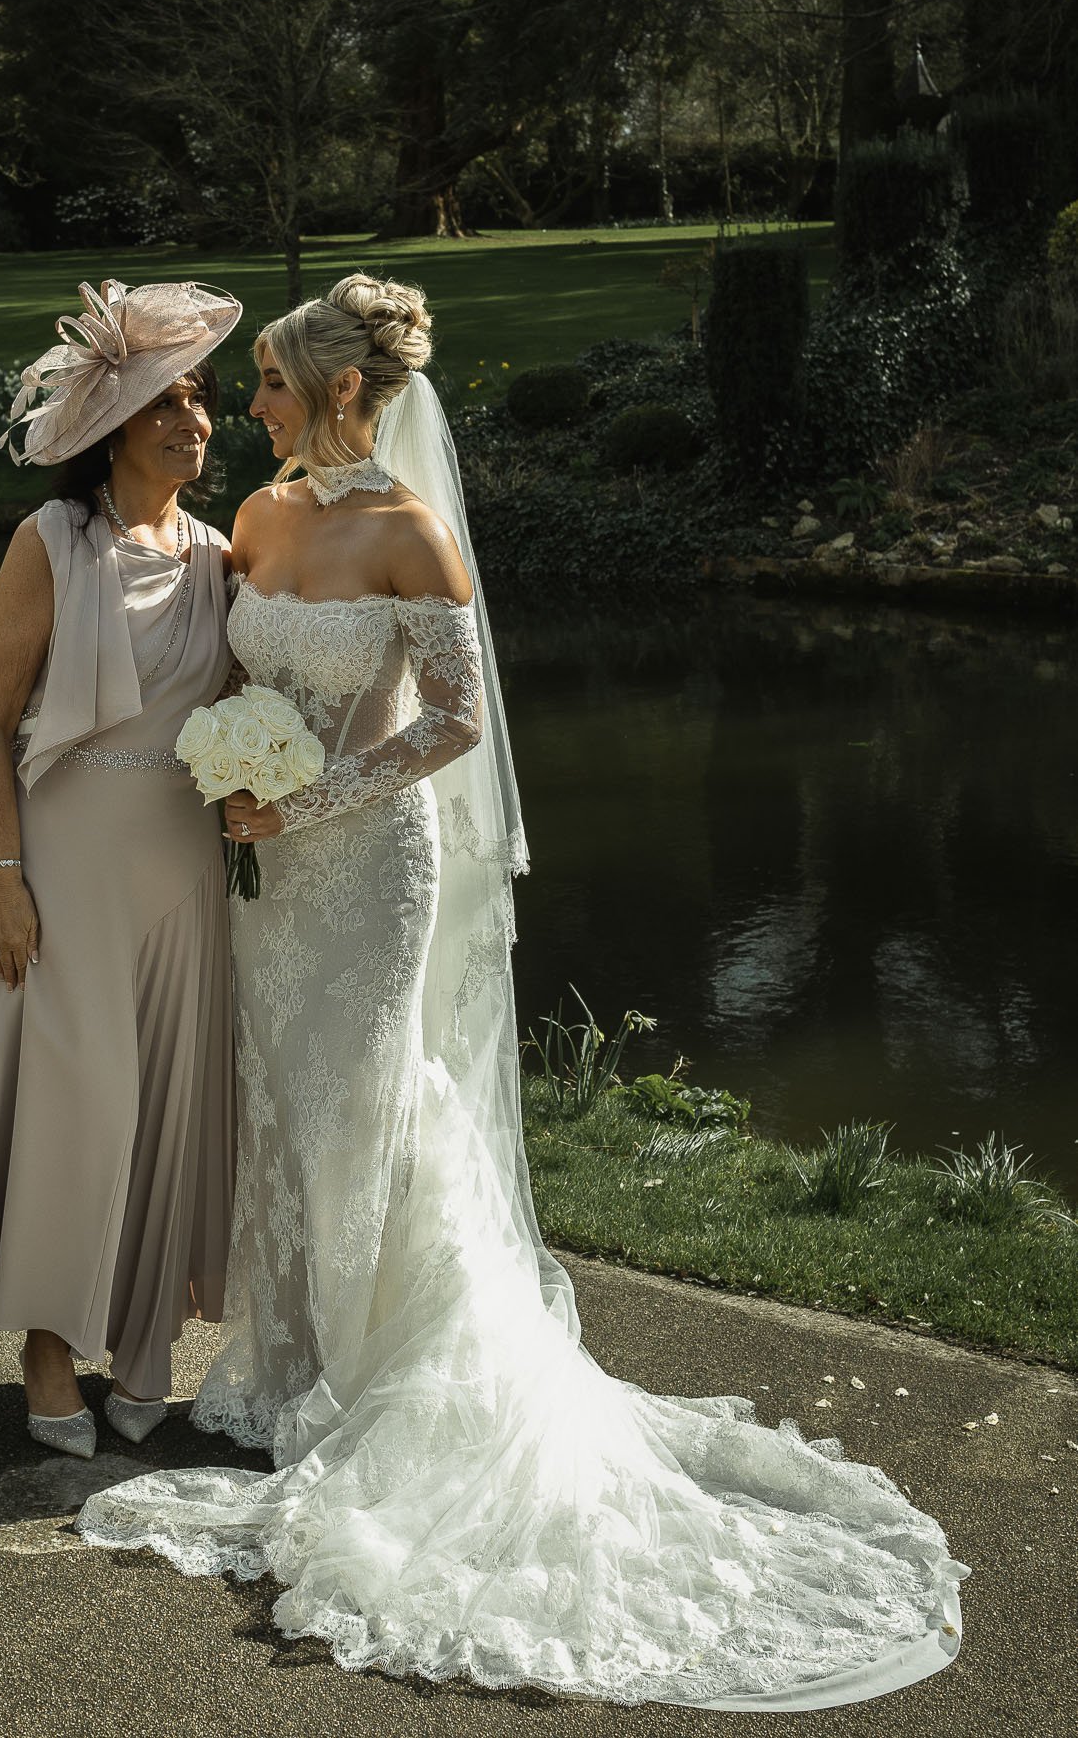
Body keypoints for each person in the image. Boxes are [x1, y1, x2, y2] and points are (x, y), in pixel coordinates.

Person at [80, 273, 967, 1710]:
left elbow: (454, 721)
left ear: (344, 391)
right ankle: (284, 1365)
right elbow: (221, 665)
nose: (252, 406)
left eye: (273, 384)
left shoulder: (410, 532)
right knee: (279, 1093)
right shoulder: (259, 513)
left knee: (361, 1096)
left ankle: (373, 1375)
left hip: (369, 868)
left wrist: (303, 802)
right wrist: (218, 774)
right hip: (267, 870)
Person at [0, 278, 242, 1461]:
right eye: (166, 403)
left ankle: (143, 1342)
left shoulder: (221, 554)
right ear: (111, 424)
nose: (193, 421)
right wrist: (0, 872)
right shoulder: (50, 541)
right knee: (74, 1110)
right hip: (60, 868)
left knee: (165, 1110)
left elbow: (246, 714)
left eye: (199, 400)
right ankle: (48, 1352)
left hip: (185, 874)